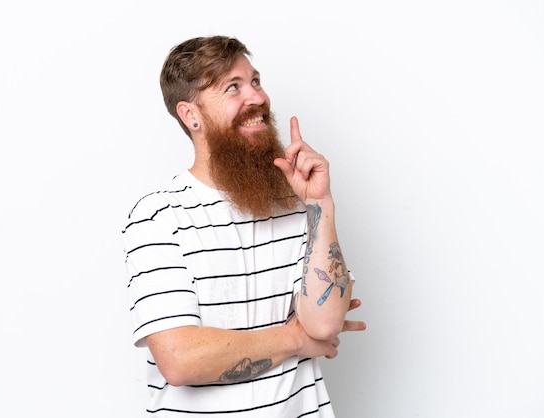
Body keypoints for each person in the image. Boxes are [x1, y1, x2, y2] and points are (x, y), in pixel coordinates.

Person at [122, 35, 366, 417]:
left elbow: (325, 324)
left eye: (255, 81)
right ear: (191, 115)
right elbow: (182, 360)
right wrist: (294, 338)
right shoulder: (159, 217)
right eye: (232, 87)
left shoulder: (295, 203)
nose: (256, 97)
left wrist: (320, 203)